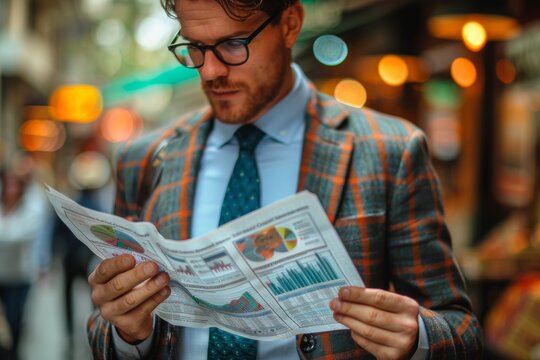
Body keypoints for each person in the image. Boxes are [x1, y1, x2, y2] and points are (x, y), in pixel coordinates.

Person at [87, 0, 483, 359]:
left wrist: (418, 337)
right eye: (194, 47)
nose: (210, 71)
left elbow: (462, 330)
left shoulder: (389, 151)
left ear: (290, 23)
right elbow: (104, 327)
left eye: (233, 44)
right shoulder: (144, 160)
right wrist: (127, 333)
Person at [0, 156, 51, 360]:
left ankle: (13, 353)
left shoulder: (34, 201)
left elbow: (23, 235)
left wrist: (43, 265)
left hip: (21, 273)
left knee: (15, 319)